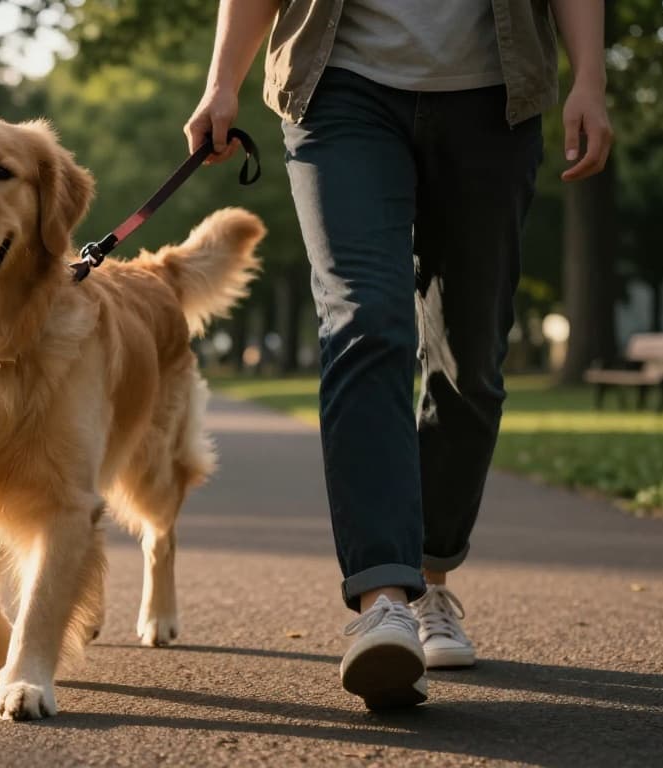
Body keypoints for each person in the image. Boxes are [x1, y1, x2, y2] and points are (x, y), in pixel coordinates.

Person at [186, 0, 611, 710]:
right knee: (367, 322)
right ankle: (383, 599)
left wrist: (589, 80)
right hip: (340, 87)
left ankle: (432, 574)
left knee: (468, 361)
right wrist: (223, 77)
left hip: (494, 98)